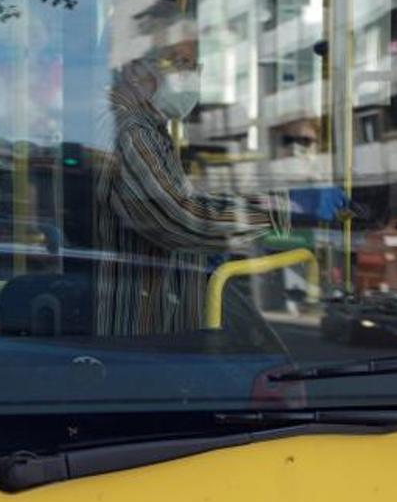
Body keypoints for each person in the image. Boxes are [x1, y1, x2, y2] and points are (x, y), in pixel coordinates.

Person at [96, 44, 290, 336]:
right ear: (134, 70)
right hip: (140, 331)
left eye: (193, 66)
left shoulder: (146, 130)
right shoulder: (134, 132)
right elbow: (180, 218)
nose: (190, 76)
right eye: (178, 63)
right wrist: (279, 210)